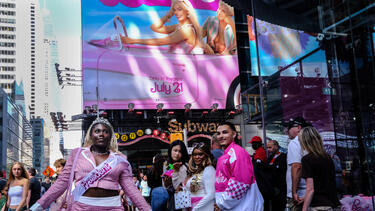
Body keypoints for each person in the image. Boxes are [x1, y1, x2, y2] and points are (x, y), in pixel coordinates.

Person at [30, 117, 151, 211]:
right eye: (97, 131)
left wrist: (146, 209)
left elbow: (131, 189)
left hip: (112, 206)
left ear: (110, 136)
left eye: (105, 131)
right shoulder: (77, 154)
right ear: (91, 135)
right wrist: (36, 208)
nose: (101, 134)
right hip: (81, 206)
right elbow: (61, 183)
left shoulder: (120, 159)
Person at [121, 0, 204, 54]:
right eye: (174, 10)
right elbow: (155, 27)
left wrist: (132, 40)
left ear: (187, 11)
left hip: (180, 69)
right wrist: (168, 15)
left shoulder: (187, 30)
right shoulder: (179, 27)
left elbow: (162, 42)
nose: (176, 13)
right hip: (174, 64)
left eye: (179, 9)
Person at [215, 122, 263, 211]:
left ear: (234, 134)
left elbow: (240, 183)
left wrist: (222, 203)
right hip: (233, 205)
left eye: (225, 132)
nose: (221, 136)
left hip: (242, 206)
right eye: (218, 133)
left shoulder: (237, 152)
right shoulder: (226, 153)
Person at [299, 127, 340, 211]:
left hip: (318, 205)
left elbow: (310, 189)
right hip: (331, 203)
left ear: (304, 142)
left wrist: (304, 208)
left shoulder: (307, 159)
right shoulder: (328, 158)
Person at [151, 140, 189, 211]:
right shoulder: (169, 165)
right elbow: (165, 186)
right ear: (170, 150)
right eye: (175, 150)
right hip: (172, 201)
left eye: (180, 151)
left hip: (185, 200)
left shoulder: (185, 165)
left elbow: (182, 185)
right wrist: (166, 183)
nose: (177, 154)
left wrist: (176, 172)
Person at [284, 117, 312, 211]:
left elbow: (297, 166)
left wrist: (294, 192)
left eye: (290, 127)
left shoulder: (295, 142)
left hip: (299, 194)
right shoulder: (311, 142)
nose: (287, 131)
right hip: (309, 192)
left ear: (299, 128)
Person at [185, 142, 215, 211]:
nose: (197, 157)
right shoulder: (199, 171)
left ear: (206, 155)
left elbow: (211, 194)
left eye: (200, 154)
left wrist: (195, 208)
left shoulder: (209, 170)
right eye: (194, 154)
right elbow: (194, 191)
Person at [267, 140, 287, 211]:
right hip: (272, 188)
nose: (268, 149)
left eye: (270, 147)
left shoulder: (283, 157)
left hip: (280, 188)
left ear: (276, 146)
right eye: (267, 148)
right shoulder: (270, 157)